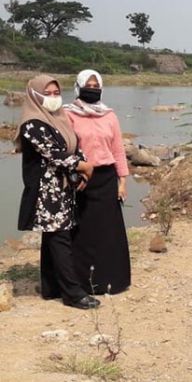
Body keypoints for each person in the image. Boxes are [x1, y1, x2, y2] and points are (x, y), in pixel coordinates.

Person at [15, 75, 100, 309]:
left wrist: (82, 170)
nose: (53, 98)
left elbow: (74, 145)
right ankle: (73, 294)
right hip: (46, 191)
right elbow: (53, 153)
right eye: (47, 94)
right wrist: (85, 167)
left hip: (62, 188)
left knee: (53, 236)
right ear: (35, 96)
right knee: (59, 237)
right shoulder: (32, 123)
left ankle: (51, 287)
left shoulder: (58, 119)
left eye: (56, 93)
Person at [65, 70, 131, 295]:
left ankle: (111, 280)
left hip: (106, 179)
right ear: (78, 86)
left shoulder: (109, 115)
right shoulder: (68, 114)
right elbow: (66, 148)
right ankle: (82, 282)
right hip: (82, 180)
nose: (92, 88)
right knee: (83, 232)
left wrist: (122, 181)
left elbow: (118, 150)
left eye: (96, 85)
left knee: (108, 232)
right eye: (88, 85)